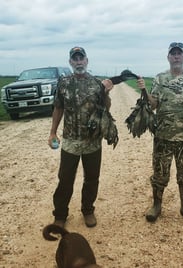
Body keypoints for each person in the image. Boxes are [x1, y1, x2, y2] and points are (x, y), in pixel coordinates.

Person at [137, 42, 183, 225]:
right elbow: (153, 105)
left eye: (179, 53)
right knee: (160, 174)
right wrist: (144, 90)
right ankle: (157, 206)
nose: (176, 56)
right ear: (168, 57)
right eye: (173, 54)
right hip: (163, 137)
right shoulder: (160, 79)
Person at [48, 46, 114, 228]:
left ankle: (88, 211)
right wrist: (53, 132)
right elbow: (58, 108)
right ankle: (60, 215)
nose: (78, 62)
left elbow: (106, 108)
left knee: (92, 179)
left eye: (81, 58)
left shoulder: (96, 83)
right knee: (65, 179)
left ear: (87, 60)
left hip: (92, 141)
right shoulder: (63, 83)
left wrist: (106, 92)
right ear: (70, 62)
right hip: (70, 141)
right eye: (75, 59)